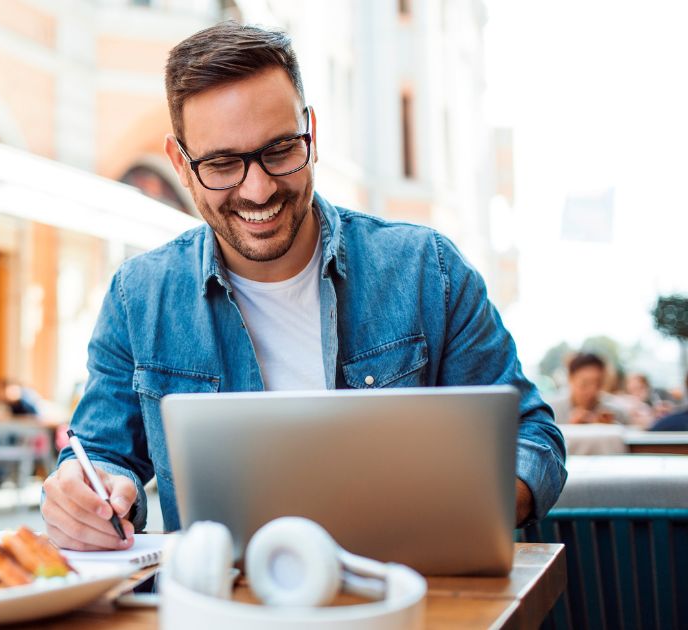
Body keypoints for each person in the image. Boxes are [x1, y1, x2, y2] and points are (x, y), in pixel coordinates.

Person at [41, 22, 566, 551]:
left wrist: (464, 506)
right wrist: (87, 496)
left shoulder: (428, 270)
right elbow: (98, 456)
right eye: (222, 163)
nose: (259, 188)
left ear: (311, 133)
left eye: (279, 150)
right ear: (181, 163)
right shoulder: (139, 297)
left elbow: (533, 442)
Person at [548, 353, 629, 425]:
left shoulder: (615, 413)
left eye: (598, 384)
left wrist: (609, 428)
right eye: (585, 384)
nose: (592, 390)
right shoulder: (551, 412)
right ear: (570, 379)